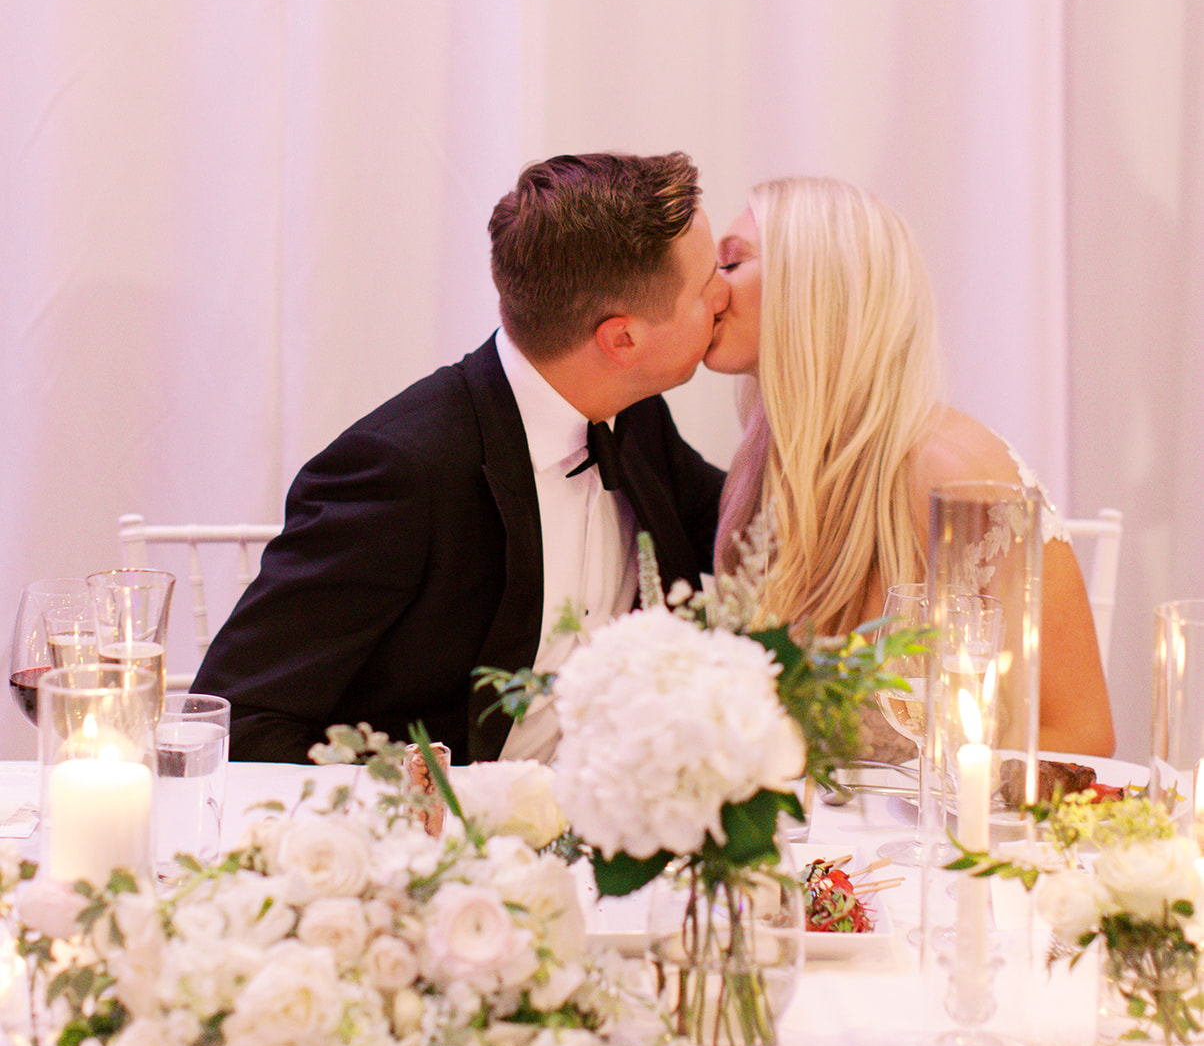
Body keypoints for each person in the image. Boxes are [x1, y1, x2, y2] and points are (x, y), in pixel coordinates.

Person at [195, 151, 729, 764]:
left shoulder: (633, 411)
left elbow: (751, 529)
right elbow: (242, 718)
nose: (725, 294)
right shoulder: (400, 471)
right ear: (622, 339)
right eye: (706, 282)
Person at [704, 174, 1114, 758]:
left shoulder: (953, 474)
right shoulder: (763, 467)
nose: (709, 289)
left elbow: (1081, 737)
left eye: (732, 263)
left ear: (814, 284)